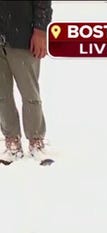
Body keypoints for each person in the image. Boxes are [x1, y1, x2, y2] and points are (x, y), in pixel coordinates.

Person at [0, 0, 52, 165]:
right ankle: (12, 141)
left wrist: (40, 30)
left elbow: (43, 3)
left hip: (23, 36)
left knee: (30, 93)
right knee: (2, 95)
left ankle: (36, 141)